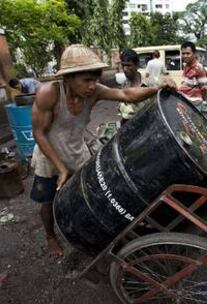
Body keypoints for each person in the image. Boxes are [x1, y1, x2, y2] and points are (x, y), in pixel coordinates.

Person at [30, 44, 175, 257]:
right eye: (86, 80)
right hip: (48, 154)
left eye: (95, 79)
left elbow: (126, 93)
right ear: (68, 78)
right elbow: (39, 133)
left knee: (86, 195)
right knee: (48, 200)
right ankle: (50, 235)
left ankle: (84, 233)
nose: (92, 86)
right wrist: (60, 168)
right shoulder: (49, 93)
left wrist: (156, 89)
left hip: (76, 149)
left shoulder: (94, 91)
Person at [117, 49, 151, 124]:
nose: (125, 69)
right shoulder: (124, 85)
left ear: (137, 65)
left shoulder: (150, 84)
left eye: (128, 65)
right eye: (123, 65)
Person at [179, 41, 207, 111]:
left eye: (188, 53)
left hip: (194, 106)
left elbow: (205, 88)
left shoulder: (199, 69)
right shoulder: (186, 66)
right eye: (183, 53)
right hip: (185, 102)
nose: (185, 56)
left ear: (194, 53)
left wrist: (199, 100)